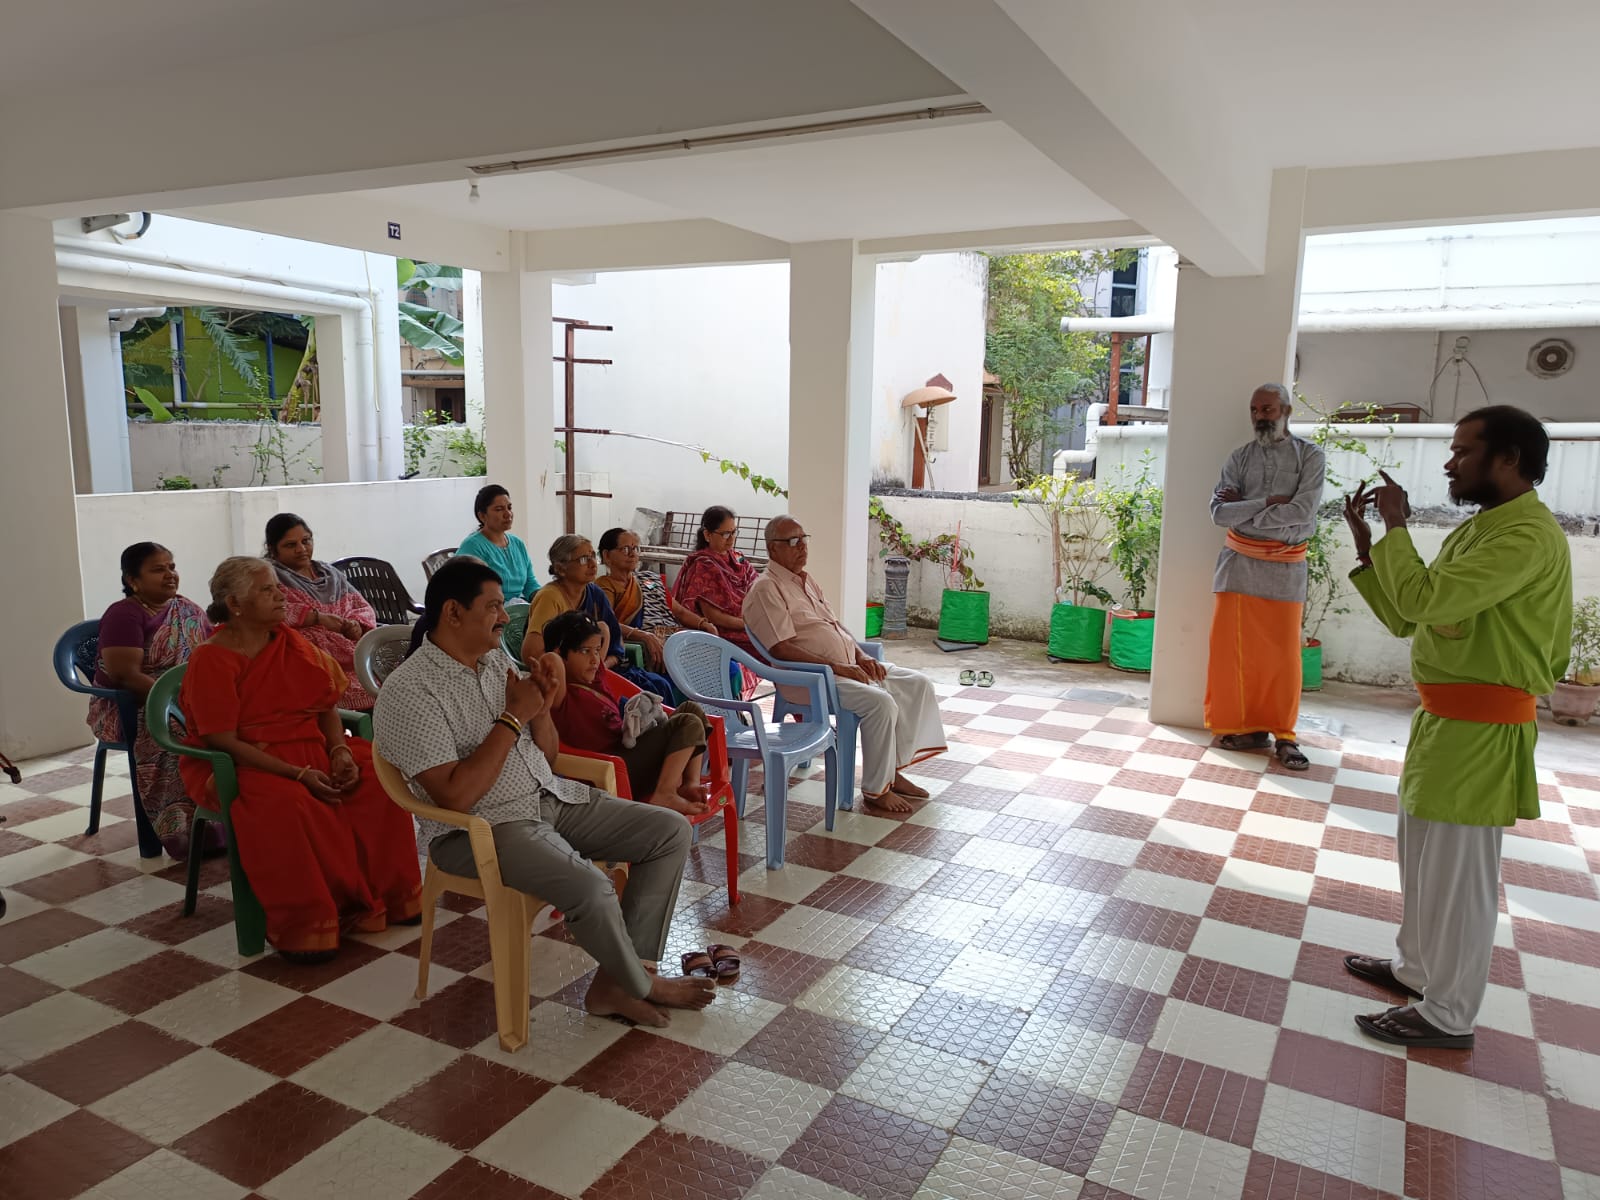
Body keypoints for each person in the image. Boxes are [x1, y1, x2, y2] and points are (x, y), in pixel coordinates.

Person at [372, 556, 716, 1027]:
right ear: (453, 613)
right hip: (484, 829)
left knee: (671, 832)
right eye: (493, 607)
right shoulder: (410, 691)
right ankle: (642, 983)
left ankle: (617, 984)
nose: (504, 617)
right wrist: (513, 717)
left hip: (547, 796)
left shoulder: (494, 660)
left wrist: (541, 706)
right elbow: (455, 796)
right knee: (593, 889)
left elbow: (547, 756)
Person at [1340, 406, 1571, 1050]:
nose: (1450, 462)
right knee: (1420, 860)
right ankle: (1417, 970)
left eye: (1464, 450)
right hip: (1445, 721)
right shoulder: (1485, 529)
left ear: (1509, 460)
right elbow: (1407, 619)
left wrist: (1396, 525)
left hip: (1483, 728)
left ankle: (1449, 1014)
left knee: (1462, 878)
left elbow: (1420, 601)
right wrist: (1369, 549)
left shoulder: (1523, 536)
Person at [179, 557, 422, 962]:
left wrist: (340, 750)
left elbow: (325, 703)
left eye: (276, 587)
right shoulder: (212, 658)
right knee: (289, 806)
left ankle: (395, 899)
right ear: (236, 604)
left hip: (313, 748)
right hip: (247, 763)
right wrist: (299, 773)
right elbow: (221, 738)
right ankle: (311, 923)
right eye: (267, 590)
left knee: (378, 778)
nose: (280, 596)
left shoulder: (291, 641)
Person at [744, 515, 947, 814]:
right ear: (773, 549)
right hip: (809, 680)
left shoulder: (806, 580)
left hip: (846, 666)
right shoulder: (766, 588)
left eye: (804, 539)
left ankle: (891, 771)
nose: (802, 547)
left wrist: (861, 656)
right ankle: (876, 790)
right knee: (881, 703)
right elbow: (781, 649)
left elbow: (836, 625)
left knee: (917, 684)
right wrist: (839, 668)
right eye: (792, 542)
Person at [1204, 383, 1327, 771]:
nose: (1260, 416)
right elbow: (1219, 514)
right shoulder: (1239, 458)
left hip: (1286, 566)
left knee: (1283, 657)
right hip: (1238, 565)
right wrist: (1269, 503)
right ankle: (1244, 728)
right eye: (1255, 409)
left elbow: (1303, 511)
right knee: (1234, 654)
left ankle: (1284, 734)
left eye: (1268, 409)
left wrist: (1249, 512)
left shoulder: (1310, 457)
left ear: (1286, 410)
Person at [90, 542, 214, 858]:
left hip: (188, 697)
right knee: (181, 731)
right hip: (133, 704)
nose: (170, 575)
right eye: (158, 569)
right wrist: (176, 704)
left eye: (171, 567)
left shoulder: (186, 608)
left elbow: (214, 655)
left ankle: (226, 822)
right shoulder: (124, 614)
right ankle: (186, 832)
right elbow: (125, 676)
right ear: (133, 580)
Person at [542, 610, 712, 817]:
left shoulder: (596, 677)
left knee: (692, 709)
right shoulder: (561, 694)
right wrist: (558, 650)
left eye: (597, 650)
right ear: (562, 654)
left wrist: (584, 634)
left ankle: (689, 784)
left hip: (631, 752)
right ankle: (665, 793)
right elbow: (550, 659)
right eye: (585, 651)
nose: (595, 660)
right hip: (616, 769)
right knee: (688, 722)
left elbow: (603, 627)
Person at [522, 535, 677, 700]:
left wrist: (601, 666)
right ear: (561, 568)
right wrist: (576, 672)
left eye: (592, 557)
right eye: (583, 559)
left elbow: (617, 645)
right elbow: (531, 654)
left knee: (659, 686)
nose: (592, 564)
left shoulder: (595, 593)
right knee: (629, 704)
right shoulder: (550, 597)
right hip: (567, 678)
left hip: (602, 669)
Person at [264, 513, 378, 711]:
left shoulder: (330, 574)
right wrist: (318, 618)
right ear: (273, 550)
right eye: (290, 545)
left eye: (306, 541)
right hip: (314, 660)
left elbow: (361, 606)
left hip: (351, 649)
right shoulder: (269, 577)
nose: (302, 549)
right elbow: (271, 612)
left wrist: (355, 625)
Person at [596, 526, 716, 671]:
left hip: (672, 636)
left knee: (725, 664)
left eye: (636, 548)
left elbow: (679, 612)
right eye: (626, 549)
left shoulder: (649, 579)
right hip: (650, 645)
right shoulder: (605, 586)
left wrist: (703, 624)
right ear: (607, 555)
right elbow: (608, 623)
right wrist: (643, 635)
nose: (633, 554)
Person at [672, 505, 761, 657]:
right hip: (725, 632)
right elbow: (714, 617)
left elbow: (758, 590)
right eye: (726, 534)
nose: (731, 539)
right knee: (771, 645)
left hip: (751, 624)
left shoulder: (738, 558)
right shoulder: (704, 565)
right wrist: (750, 625)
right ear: (708, 535)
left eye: (734, 532)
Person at [457, 484, 538, 602]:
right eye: (499, 509)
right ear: (482, 516)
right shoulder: (473, 547)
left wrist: (542, 598)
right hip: (490, 613)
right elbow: (467, 591)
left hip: (520, 610)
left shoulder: (518, 544)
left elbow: (530, 583)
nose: (508, 514)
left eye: (509, 508)